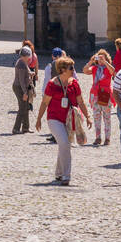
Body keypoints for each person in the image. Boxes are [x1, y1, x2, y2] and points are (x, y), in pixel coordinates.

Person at [35, 55, 91, 184]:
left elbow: (80, 101)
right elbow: (44, 103)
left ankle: (59, 173)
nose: (73, 70)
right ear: (62, 70)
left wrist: (87, 116)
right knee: (65, 143)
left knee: (63, 145)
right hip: (54, 118)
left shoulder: (74, 83)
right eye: (71, 67)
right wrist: (38, 119)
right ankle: (66, 175)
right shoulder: (52, 84)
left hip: (69, 119)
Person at [83, 49, 116, 146]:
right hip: (96, 94)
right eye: (99, 57)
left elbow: (113, 71)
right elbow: (85, 71)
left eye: (103, 57)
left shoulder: (107, 68)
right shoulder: (94, 68)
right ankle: (98, 137)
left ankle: (107, 138)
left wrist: (105, 62)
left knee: (107, 118)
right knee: (96, 117)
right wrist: (90, 61)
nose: (100, 60)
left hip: (105, 94)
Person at [12, 47, 37, 134]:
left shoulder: (22, 61)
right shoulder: (21, 64)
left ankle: (26, 128)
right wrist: (25, 93)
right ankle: (16, 128)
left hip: (20, 87)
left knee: (26, 107)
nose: (29, 58)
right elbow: (21, 81)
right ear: (25, 56)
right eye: (28, 56)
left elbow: (26, 72)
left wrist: (30, 73)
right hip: (19, 88)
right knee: (22, 107)